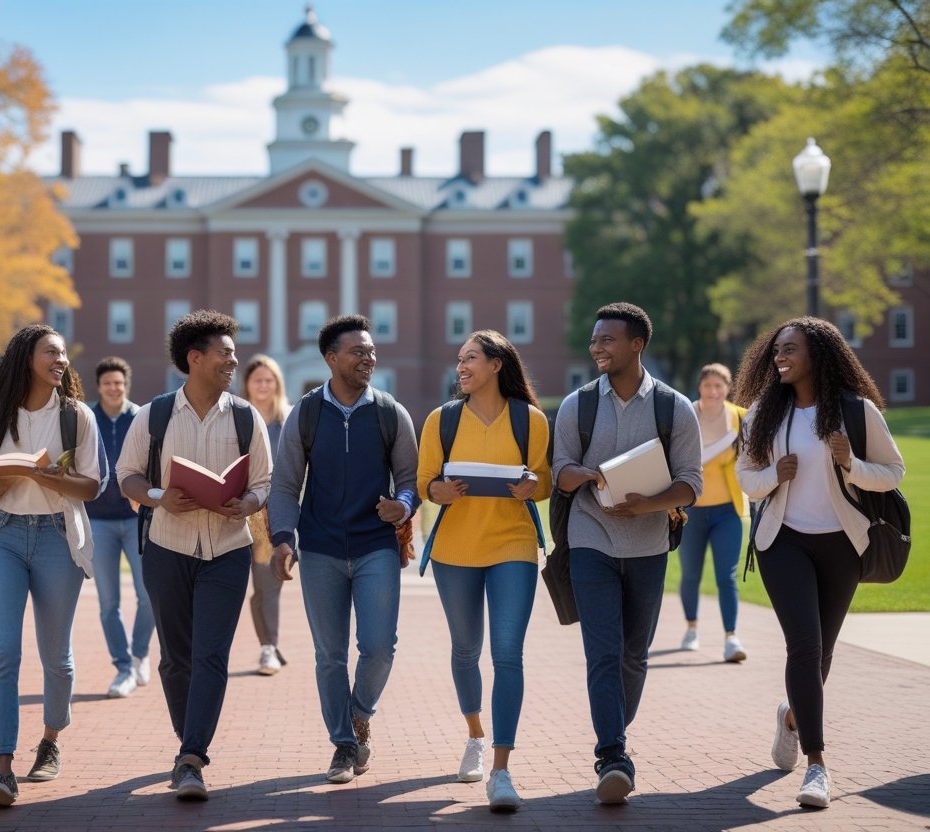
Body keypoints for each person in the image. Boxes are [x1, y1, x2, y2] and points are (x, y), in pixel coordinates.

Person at [734, 317, 904, 810]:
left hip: (840, 546)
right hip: (782, 542)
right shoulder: (764, 411)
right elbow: (747, 478)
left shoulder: (857, 411)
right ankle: (816, 765)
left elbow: (893, 473)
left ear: (819, 355)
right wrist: (773, 474)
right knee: (804, 648)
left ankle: (792, 716)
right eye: (776, 349)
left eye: (790, 348)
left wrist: (851, 462)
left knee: (821, 653)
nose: (780, 356)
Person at [117, 310, 273, 801]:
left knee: (211, 655)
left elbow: (264, 482)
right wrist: (161, 496)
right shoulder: (155, 414)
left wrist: (247, 503)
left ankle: (191, 756)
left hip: (228, 550)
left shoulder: (247, 417)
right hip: (167, 548)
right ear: (195, 358)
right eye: (225, 353)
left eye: (234, 353)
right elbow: (127, 477)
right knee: (175, 660)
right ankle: (189, 740)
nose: (234, 360)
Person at [550, 302, 702, 805]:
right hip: (590, 538)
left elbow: (691, 484)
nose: (596, 348)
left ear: (637, 344)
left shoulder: (674, 408)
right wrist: (594, 477)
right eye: (594, 340)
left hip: (649, 545)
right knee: (604, 652)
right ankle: (612, 754)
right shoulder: (578, 405)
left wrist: (649, 505)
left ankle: (614, 723)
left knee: (634, 656)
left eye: (607, 340)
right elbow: (561, 472)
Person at [269, 314, 419, 786]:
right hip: (321, 549)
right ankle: (343, 745)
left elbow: (410, 481)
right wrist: (282, 539)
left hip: (376, 545)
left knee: (379, 647)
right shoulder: (307, 413)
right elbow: (286, 484)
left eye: (371, 350)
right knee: (329, 654)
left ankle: (359, 713)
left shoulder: (391, 412)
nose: (368, 358)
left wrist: (403, 506)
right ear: (332, 359)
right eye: (358, 351)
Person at [0, 324, 102, 807]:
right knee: (3, 654)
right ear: (25, 358)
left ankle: (51, 741)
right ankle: (2, 769)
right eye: (51, 353)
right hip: (3, 536)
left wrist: (55, 480)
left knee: (56, 654)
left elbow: (93, 487)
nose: (60, 361)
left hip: (58, 538)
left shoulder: (76, 416)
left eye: (63, 354)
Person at [416, 330, 551, 812]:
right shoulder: (441, 420)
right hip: (455, 549)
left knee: (507, 653)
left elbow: (544, 479)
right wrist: (438, 492)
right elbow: (424, 481)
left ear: (497, 364)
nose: (461, 367)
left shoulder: (530, 420)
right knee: (465, 649)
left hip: (512, 544)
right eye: (459, 359)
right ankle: (475, 734)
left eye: (470, 358)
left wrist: (533, 485)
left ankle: (501, 769)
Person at [87, 356, 153, 699]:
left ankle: (140, 653)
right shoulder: (86, 418)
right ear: (99, 386)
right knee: (108, 601)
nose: (114, 388)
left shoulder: (140, 417)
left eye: (120, 383)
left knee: (149, 595)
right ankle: (123, 666)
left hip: (136, 519)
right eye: (108, 383)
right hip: (97, 520)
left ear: (126, 385)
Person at [677, 363, 749, 662]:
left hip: (727, 512)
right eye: (708, 385)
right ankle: (691, 628)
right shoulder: (685, 414)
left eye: (719, 386)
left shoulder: (741, 418)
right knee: (690, 574)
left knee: (726, 576)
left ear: (727, 388)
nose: (713, 391)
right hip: (691, 512)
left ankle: (731, 638)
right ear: (700, 387)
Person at [242, 354, 291, 676]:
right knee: (249, 590)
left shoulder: (288, 421)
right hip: (234, 511)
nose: (263, 385)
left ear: (277, 384)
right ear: (247, 384)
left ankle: (268, 647)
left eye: (268, 379)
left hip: (273, 516)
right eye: (257, 379)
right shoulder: (237, 417)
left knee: (268, 585)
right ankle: (268, 642)